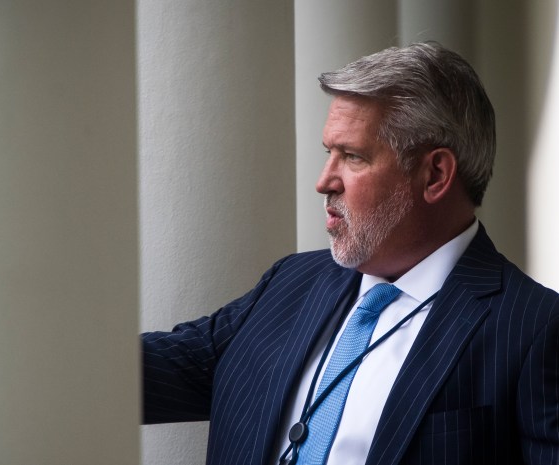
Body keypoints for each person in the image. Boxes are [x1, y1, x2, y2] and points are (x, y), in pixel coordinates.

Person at [141, 42, 559, 465]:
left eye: (353, 157)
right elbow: (144, 374)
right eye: (329, 153)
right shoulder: (290, 282)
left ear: (435, 174)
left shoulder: (535, 329)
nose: (324, 182)